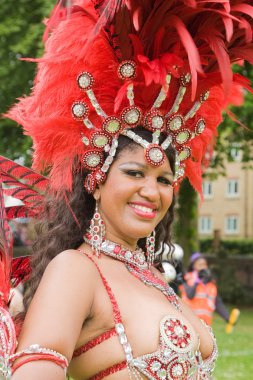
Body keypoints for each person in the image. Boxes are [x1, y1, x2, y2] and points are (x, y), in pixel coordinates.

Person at [0, 1, 252, 379]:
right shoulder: (75, 270)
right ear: (96, 181)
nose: (152, 191)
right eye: (135, 173)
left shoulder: (152, 275)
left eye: (164, 180)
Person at [180, 253, 240, 330]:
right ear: (193, 266)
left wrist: (227, 318)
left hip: (205, 325)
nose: (203, 266)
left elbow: (217, 303)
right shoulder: (187, 278)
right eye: (200, 264)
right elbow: (190, 295)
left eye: (204, 264)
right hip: (189, 323)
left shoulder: (210, 283)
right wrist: (196, 282)